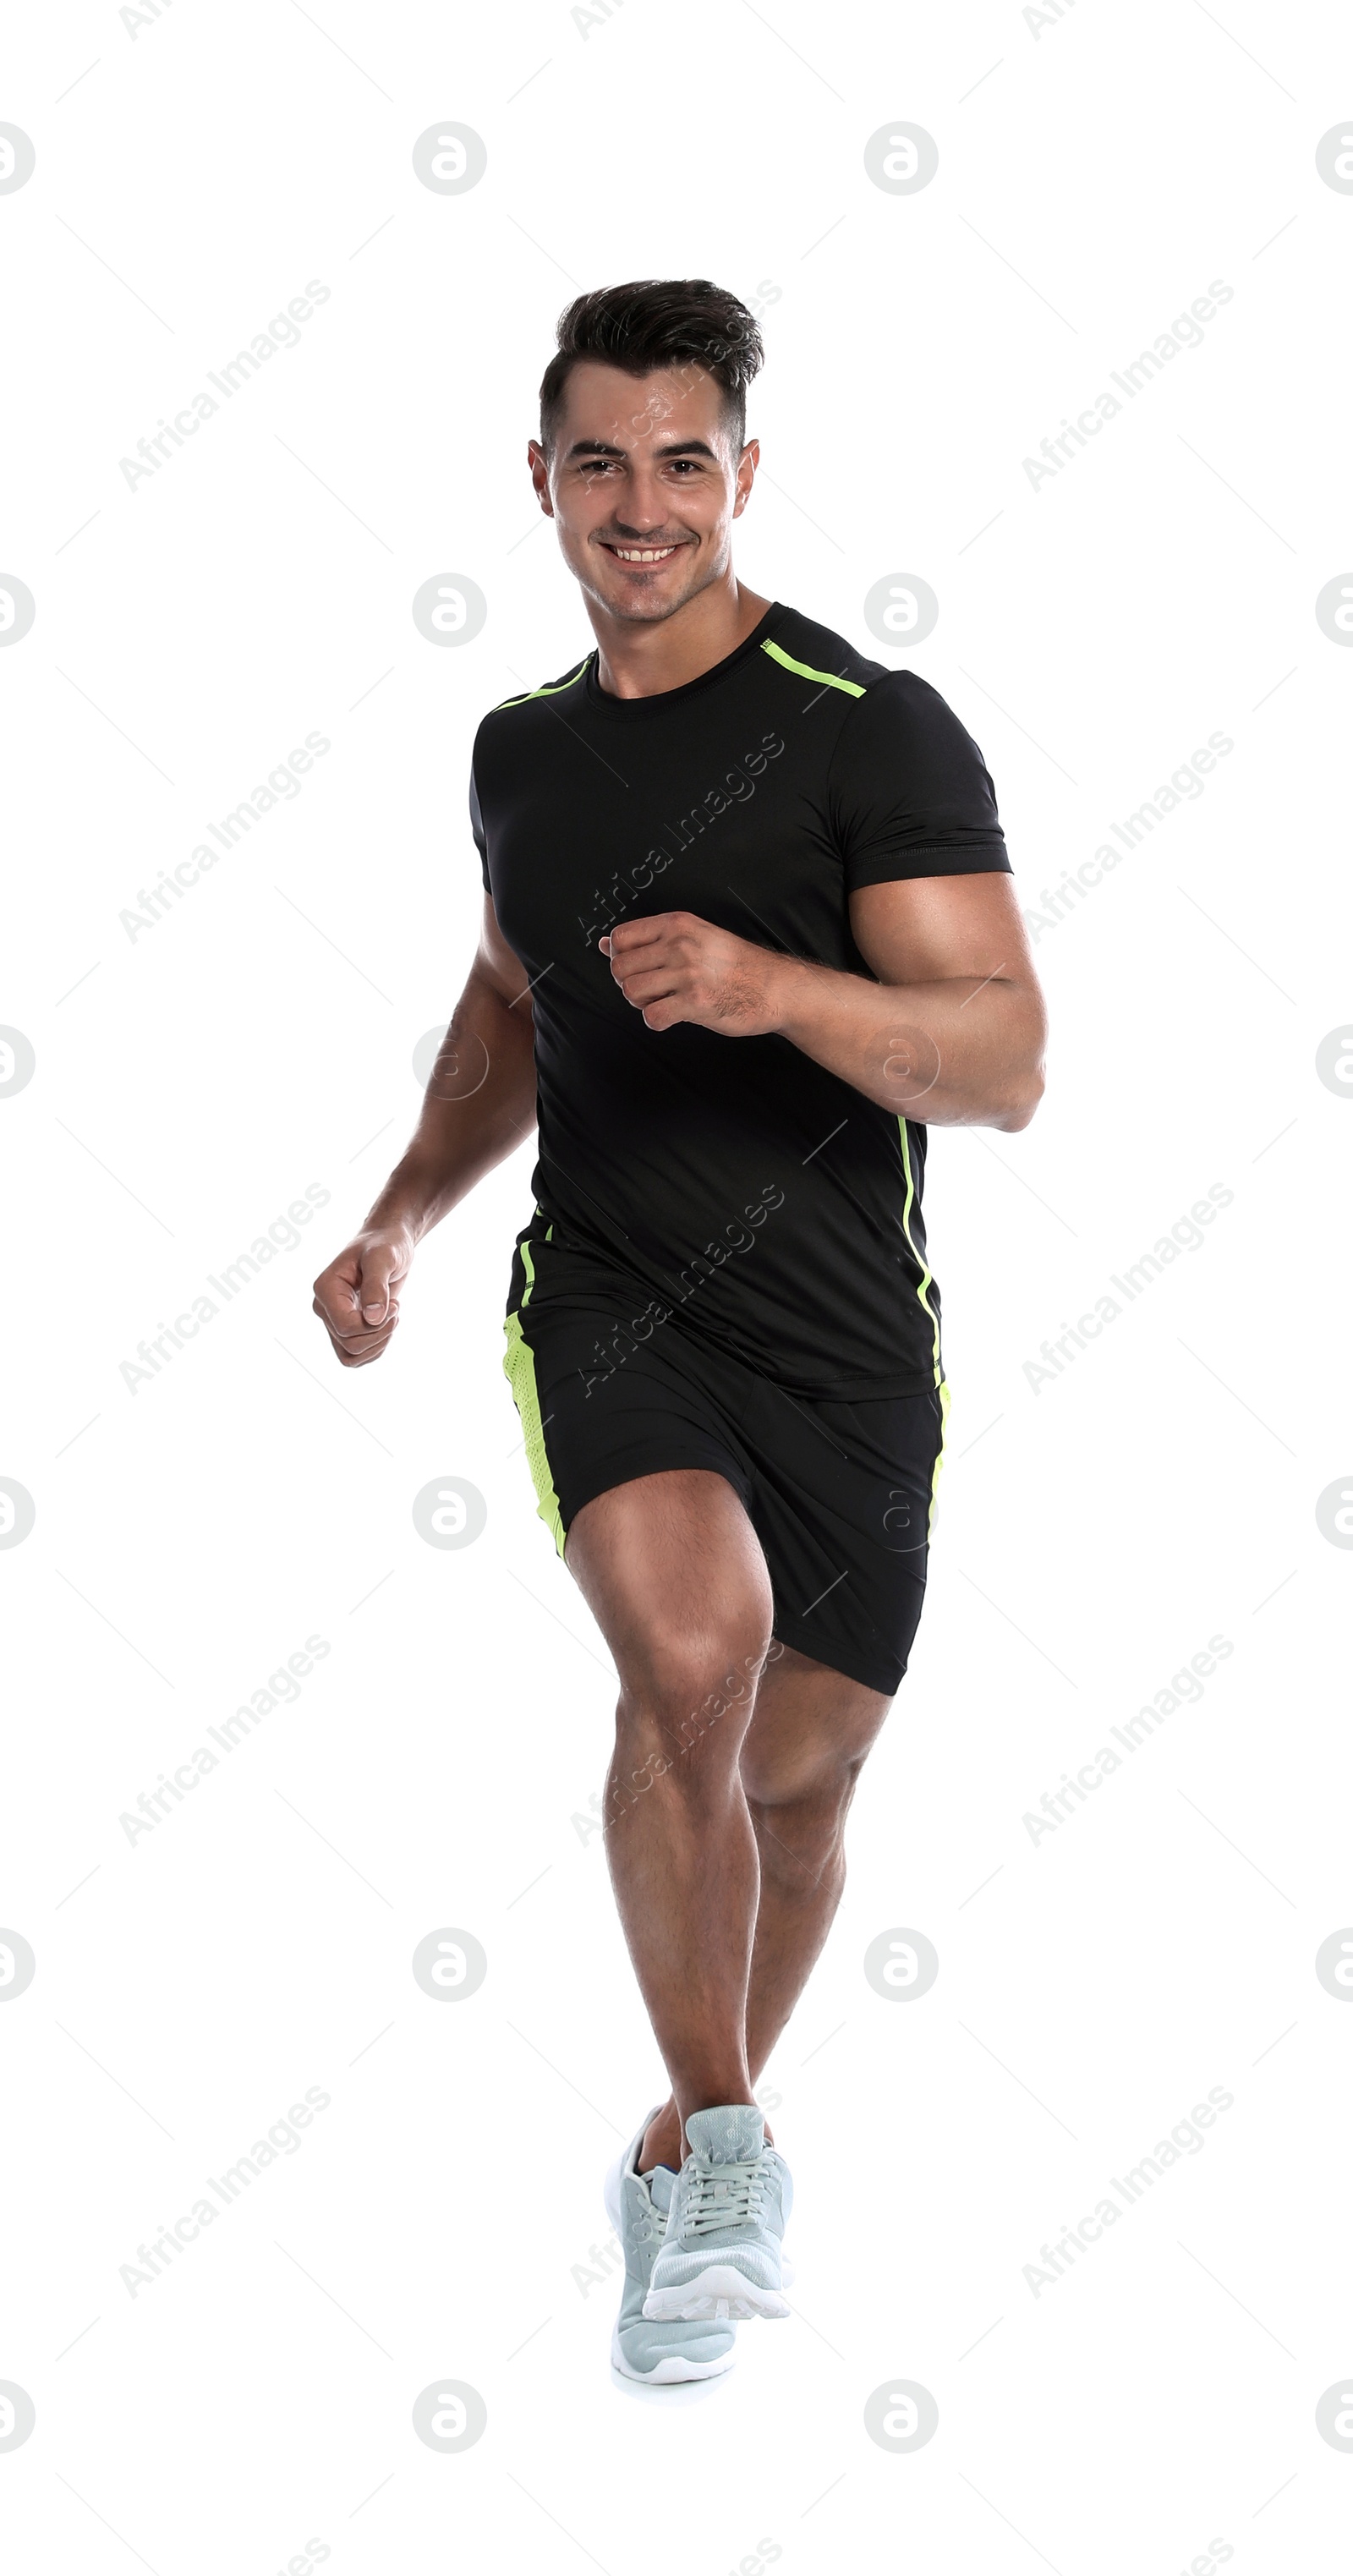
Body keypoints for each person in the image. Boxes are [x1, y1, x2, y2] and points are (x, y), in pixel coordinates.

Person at [313, 278, 1047, 2385]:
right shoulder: (519, 750)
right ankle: (728, 2146)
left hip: (840, 1336)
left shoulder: (864, 724)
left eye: (683, 460)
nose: (639, 506)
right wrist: (398, 1216)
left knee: (797, 1794)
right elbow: (505, 1001)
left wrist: (774, 988)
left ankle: (672, 2137)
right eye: (600, 463)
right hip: (612, 1291)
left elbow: (1000, 1064)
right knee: (689, 1665)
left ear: (746, 472)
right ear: (539, 478)